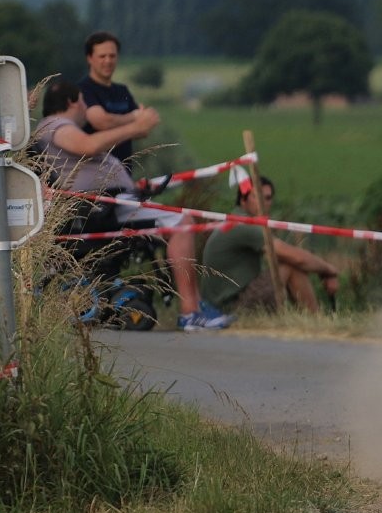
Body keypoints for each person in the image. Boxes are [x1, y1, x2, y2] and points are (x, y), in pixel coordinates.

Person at [32, 80, 233, 331]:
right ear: (73, 102)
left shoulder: (54, 128)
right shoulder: (57, 125)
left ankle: (195, 304)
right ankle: (191, 311)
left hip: (109, 203)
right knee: (182, 222)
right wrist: (135, 127)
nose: (86, 108)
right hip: (99, 208)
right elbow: (89, 146)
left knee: (179, 222)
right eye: (84, 102)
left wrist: (132, 188)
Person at [202, 176, 340, 314]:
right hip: (229, 308)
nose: (263, 203)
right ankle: (315, 321)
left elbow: (283, 255)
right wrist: (329, 270)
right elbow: (298, 258)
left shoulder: (235, 220)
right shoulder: (245, 225)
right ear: (243, 200)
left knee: (287, 262)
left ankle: (310, 319)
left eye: (267, 198)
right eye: (257, 197)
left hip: (223, 303)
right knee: (290, 266)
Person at [78, 31, 147, 172]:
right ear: (89, 58)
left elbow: (144, 129)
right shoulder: (83, 90)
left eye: (112, 56)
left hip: (124, 176)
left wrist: (118, 122)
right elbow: (101, 122)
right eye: (102, 56)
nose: (108, 61)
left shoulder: (123, 90)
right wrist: (133, 117)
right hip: (95, 179)